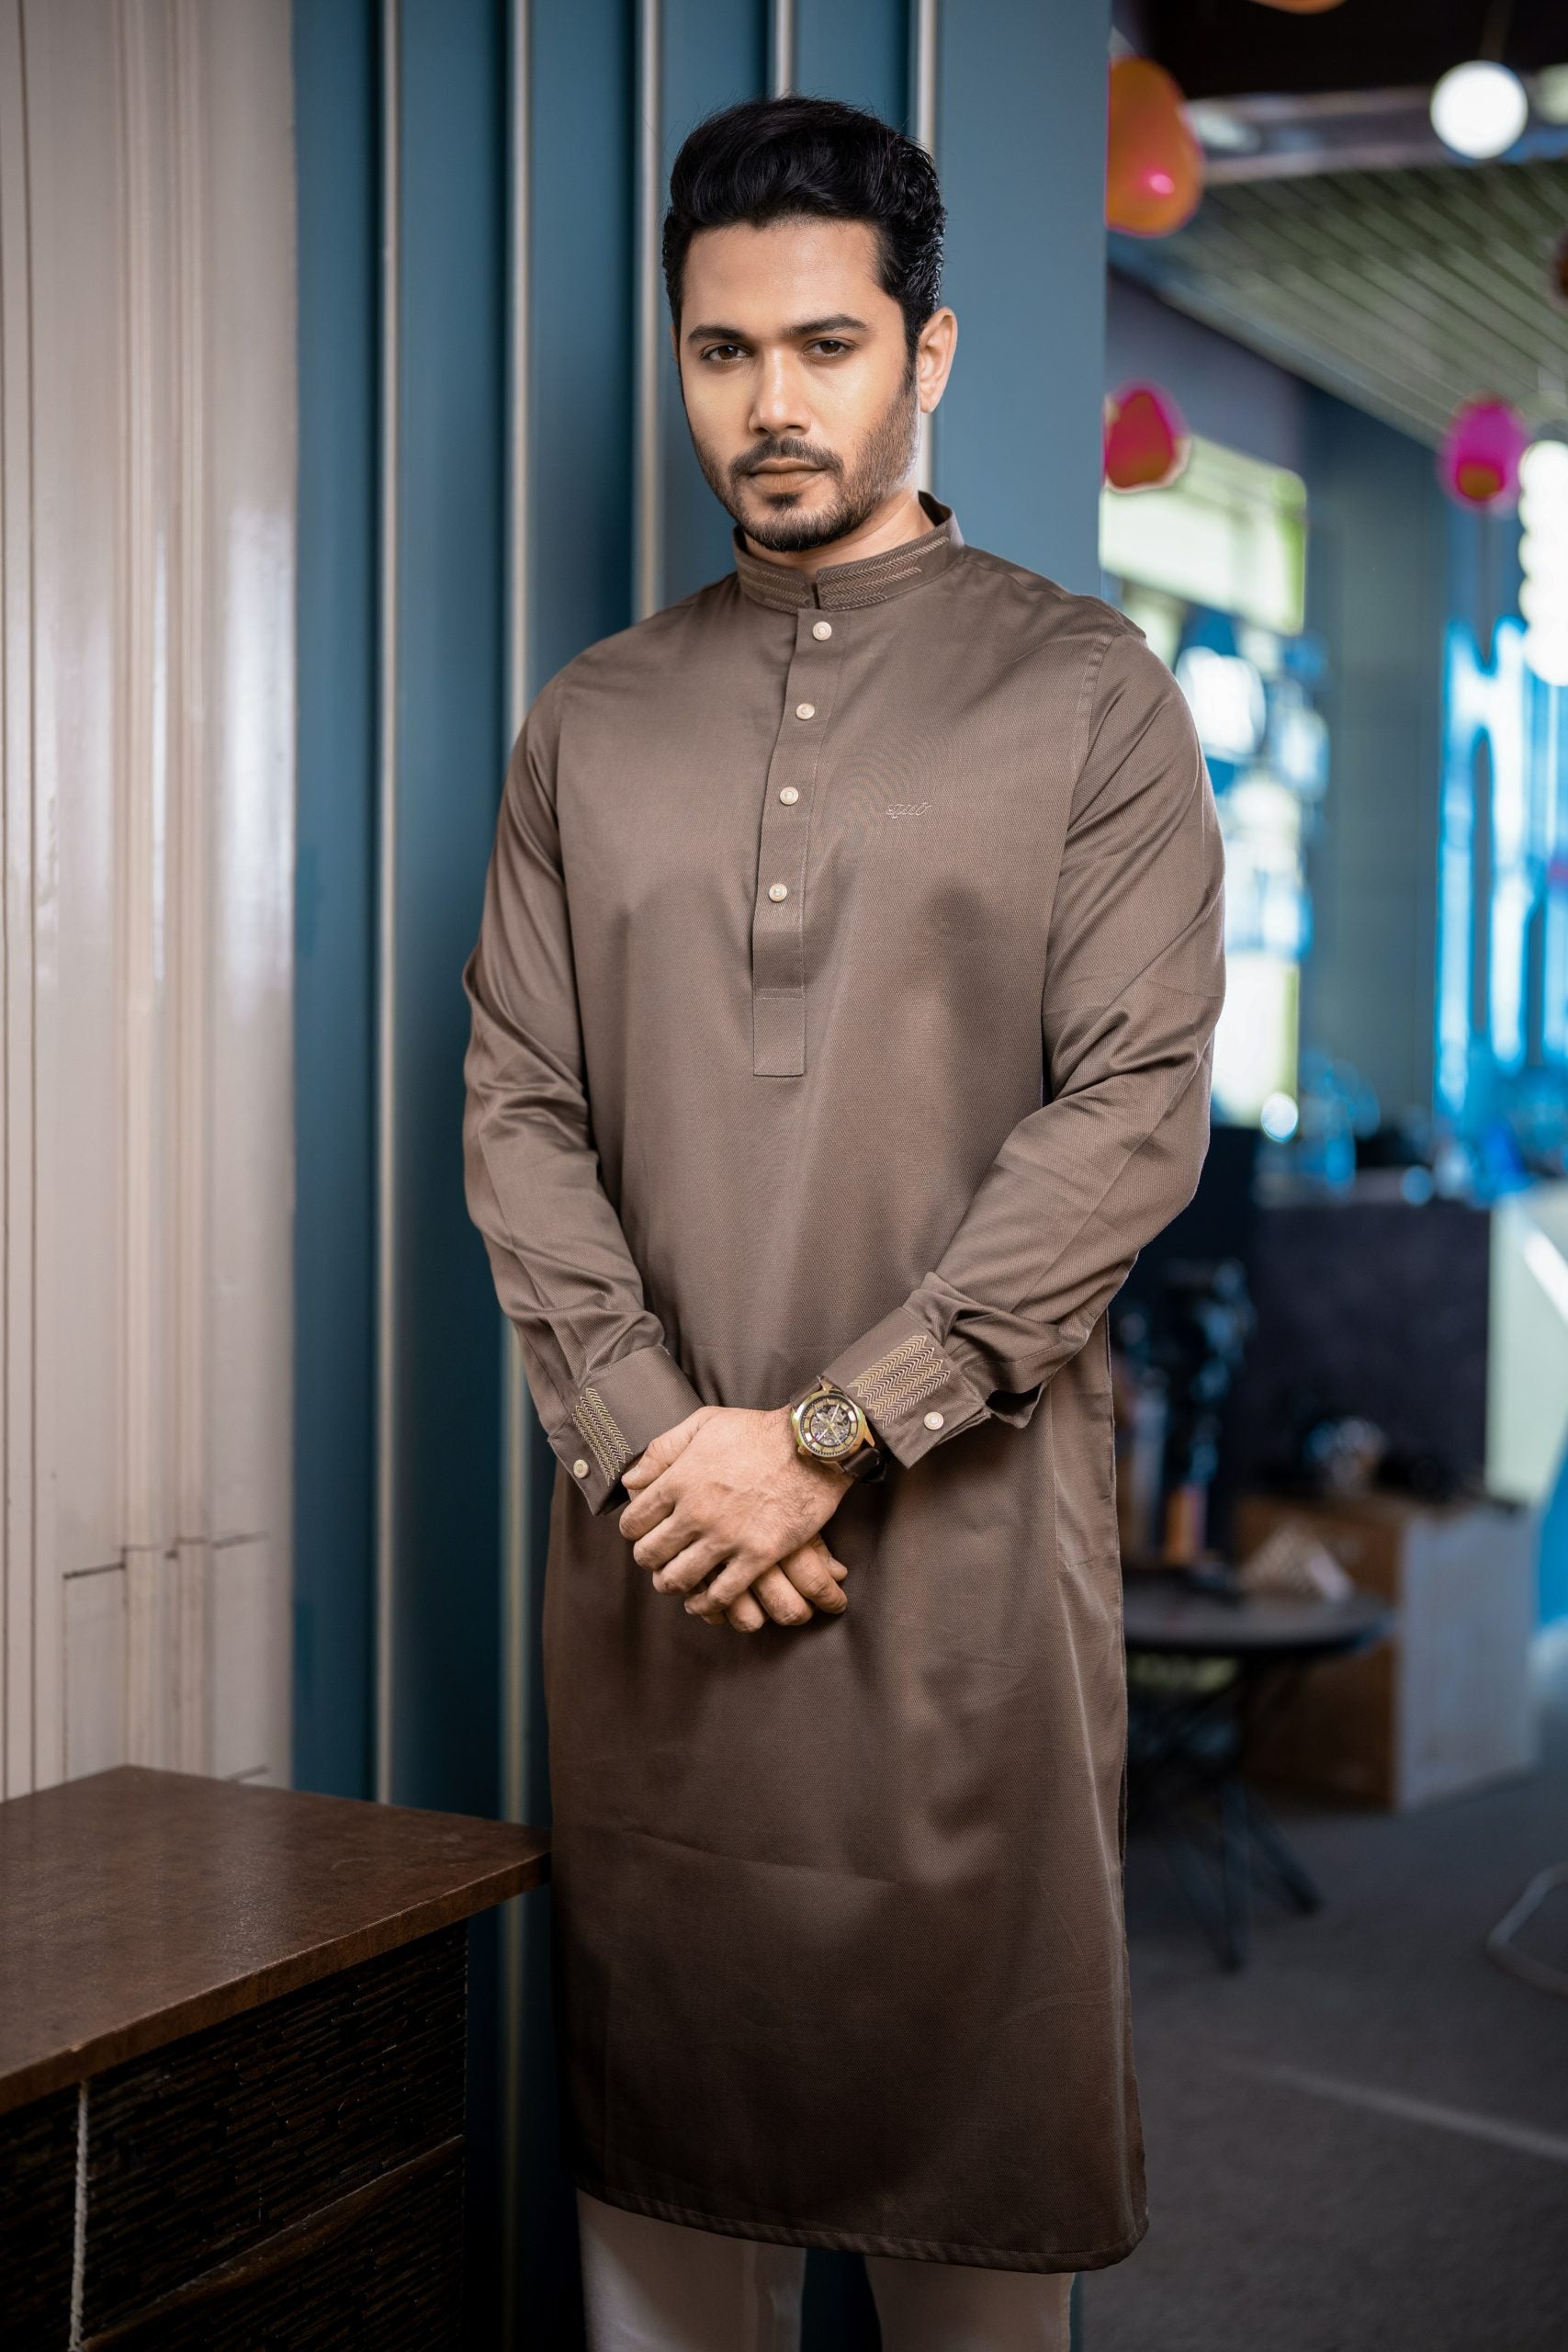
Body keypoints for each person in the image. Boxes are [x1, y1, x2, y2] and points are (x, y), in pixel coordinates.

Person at [463, 94, 1224, 2352]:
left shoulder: (1086, 698)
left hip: (957, 1587)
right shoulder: (591, 722)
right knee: (662, 2225)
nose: (769, 402)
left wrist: (819, 1435)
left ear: (929, 350)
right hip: (663, 1579)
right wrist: (661, 1448)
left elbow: (1126, 1114)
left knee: (970, 2246)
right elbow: (520, 1111)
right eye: (722, 351)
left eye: (824, 343)